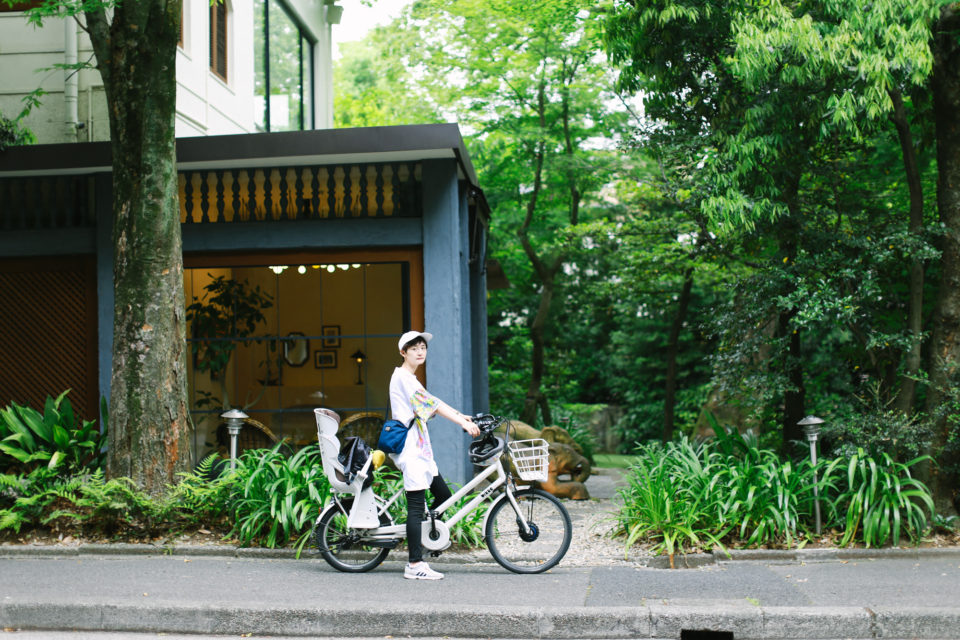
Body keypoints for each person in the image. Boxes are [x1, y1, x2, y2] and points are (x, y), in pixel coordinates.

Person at [389, 330, 479, 580]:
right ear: (403, 352)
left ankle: (425, 535)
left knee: (443, 495)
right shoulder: (403, 378)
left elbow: (433, 402)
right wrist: (461, 422)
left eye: (423, 348)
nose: (420, 351)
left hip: (422, 451)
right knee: (416, 509)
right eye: (414, 348)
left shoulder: (410, 379)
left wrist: (462, 415)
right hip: (411, 450)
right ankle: (414, 564)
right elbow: (432, 405)